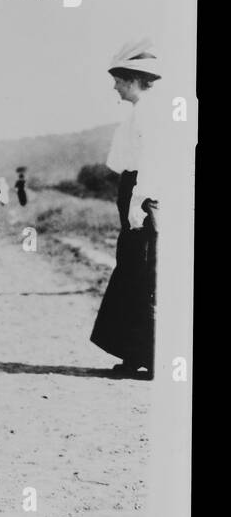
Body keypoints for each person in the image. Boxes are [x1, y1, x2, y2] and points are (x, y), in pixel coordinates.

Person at [90, 41, 162, 378]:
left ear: (132, 80)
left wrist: (138, 205)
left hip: (142, 197)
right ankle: (135, 355)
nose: (114, 86)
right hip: (133, 192)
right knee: (131, 274)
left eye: (118, 80)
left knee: (143, 275)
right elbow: (119, 163)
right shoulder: (137, 114)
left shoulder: (148, 114)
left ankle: (152, 358)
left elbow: (149, 164)